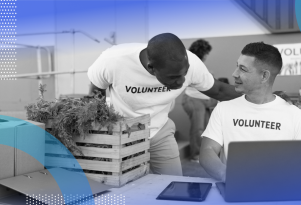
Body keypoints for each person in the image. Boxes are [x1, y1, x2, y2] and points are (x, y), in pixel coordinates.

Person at [87, 33, 241, 176]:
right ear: (151, 68)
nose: (181, 82)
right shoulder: (114, 60)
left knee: (174, 183)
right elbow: (96, 91)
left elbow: (219, 90)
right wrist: (102, 129)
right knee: (131, 187)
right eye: (174, 77)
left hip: (160, 131)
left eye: (184, 74)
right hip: (124, 132)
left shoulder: (192, 63)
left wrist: (258, 95)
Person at [199, 42, 301, 181]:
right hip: (233, 193)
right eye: (237, 66)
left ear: (264, 76)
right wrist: (228, 176)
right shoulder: (223, 108)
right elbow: (207, 151)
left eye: (243, 69)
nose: (234, 73)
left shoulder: (295, 115)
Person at [182, 39, 217, 163]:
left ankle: (204, 154)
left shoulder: (199, 63)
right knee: (198, 128)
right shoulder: (190, 62)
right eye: (207, 52)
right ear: (203, 52)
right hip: (193, 99)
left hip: (203, 100)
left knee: (207, 129)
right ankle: (196, 156)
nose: (207, 55)